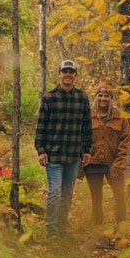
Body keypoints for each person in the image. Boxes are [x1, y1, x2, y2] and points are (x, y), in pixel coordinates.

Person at [35, 59, 92, 239]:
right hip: (54, 155)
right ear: (59, 74)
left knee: (67, 194)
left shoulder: (82, 99)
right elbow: (41, 126)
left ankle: (62, 227)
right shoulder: (49, 98)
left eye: (71, 72)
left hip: (73, 156)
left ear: (75, 76)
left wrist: (87, 150)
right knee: (55, 193)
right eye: (64, 71)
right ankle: (52, 230)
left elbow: (87, 127)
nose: (68, 75)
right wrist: (41, 150)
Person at [82, 78, 130, 227]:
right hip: (92, 164)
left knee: (120, 196)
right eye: (100, 96)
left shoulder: (121, 118)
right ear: (96, 97)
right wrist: (80, 165)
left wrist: (119, 164)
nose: (103, 99)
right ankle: (99, 230)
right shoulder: (87, 117)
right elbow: (80, 140)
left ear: (111, 99)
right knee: (97, 198)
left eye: (106, 96)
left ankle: (122, 228)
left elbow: (125, 142)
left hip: (113, 164)